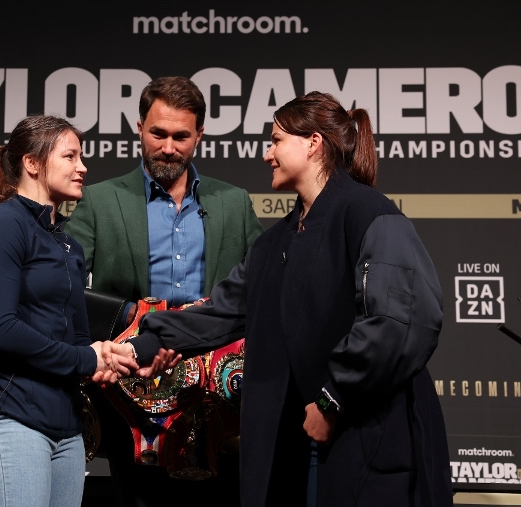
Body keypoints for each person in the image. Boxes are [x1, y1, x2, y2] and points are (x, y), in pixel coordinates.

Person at [119, 92, 453, 507]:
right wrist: (143, 344)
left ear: (313, 143)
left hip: (369, 440)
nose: (267, 154)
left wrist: (333, 400)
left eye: (276, 140)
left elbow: (399, 322)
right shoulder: (273, 243)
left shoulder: (370, 213)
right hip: (293, 451)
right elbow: (221, 312)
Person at [65, 76, 263, 506]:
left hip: (215, 391)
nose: (168, 147)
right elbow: (63, 288)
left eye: (181, 136)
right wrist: (118, 338)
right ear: (139, 128)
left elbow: (263, 290)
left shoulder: (234, 201)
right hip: (128, 381)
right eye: (158, 134)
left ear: (199, 135)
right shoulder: (100, 200)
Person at [0, 115, 138, 507]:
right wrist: (86, 358)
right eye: (70, 156)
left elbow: (78, 338)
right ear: (32, 162)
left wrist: (106, 356)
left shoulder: (69, 245)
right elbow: (0, 329)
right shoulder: (1, 225)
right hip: (11, 422)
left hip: (68, 434)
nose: (83, 167)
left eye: (81, 157)